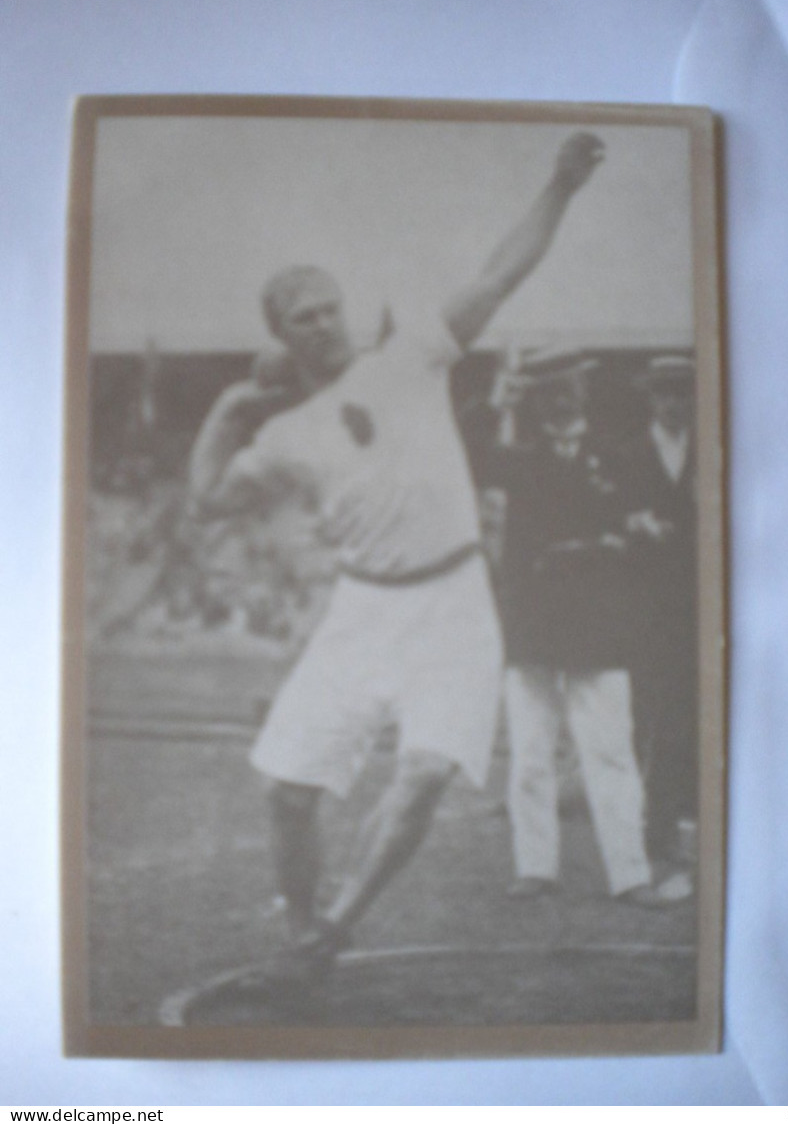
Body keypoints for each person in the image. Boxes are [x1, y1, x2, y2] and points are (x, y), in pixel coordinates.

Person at [187, 132, 606, 975]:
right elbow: (208, 499)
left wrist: (560, 186)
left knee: (423, 776)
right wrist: (229, 410)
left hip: (454, 600)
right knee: (285, 792)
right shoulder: (283, 432)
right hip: (362, 608)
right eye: (301, 315)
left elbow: (500, 273)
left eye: (327, 305)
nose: (320, 321)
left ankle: (338, 924)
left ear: (344, 308)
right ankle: (300, 921)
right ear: (282, 333)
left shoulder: (411, 352)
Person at [484, 366, 685, 907]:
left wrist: (631, 537)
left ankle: (631, 875)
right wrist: (498, 399)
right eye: (549, 391)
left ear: (585, 392)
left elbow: (657, 527)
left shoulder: (620, 455)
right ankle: (535, 868)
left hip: (600, 622)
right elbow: (472, 454)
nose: (561, 400)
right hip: (534, 622)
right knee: (529, 751)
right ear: (538, 400)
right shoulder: (521, 457)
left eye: (569, 388)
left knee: (611, 752)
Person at [623, 354, 698, 865]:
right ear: (649, 396)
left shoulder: (716, 445)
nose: (675, 400)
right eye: (665, 391)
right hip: (641, 604)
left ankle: (667, 824)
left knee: (683, 713)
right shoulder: (625, 453)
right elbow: (602, 511)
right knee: (641, 714)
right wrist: (634, 522)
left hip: (696, 603)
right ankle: (636, 821)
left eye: (684, 390)